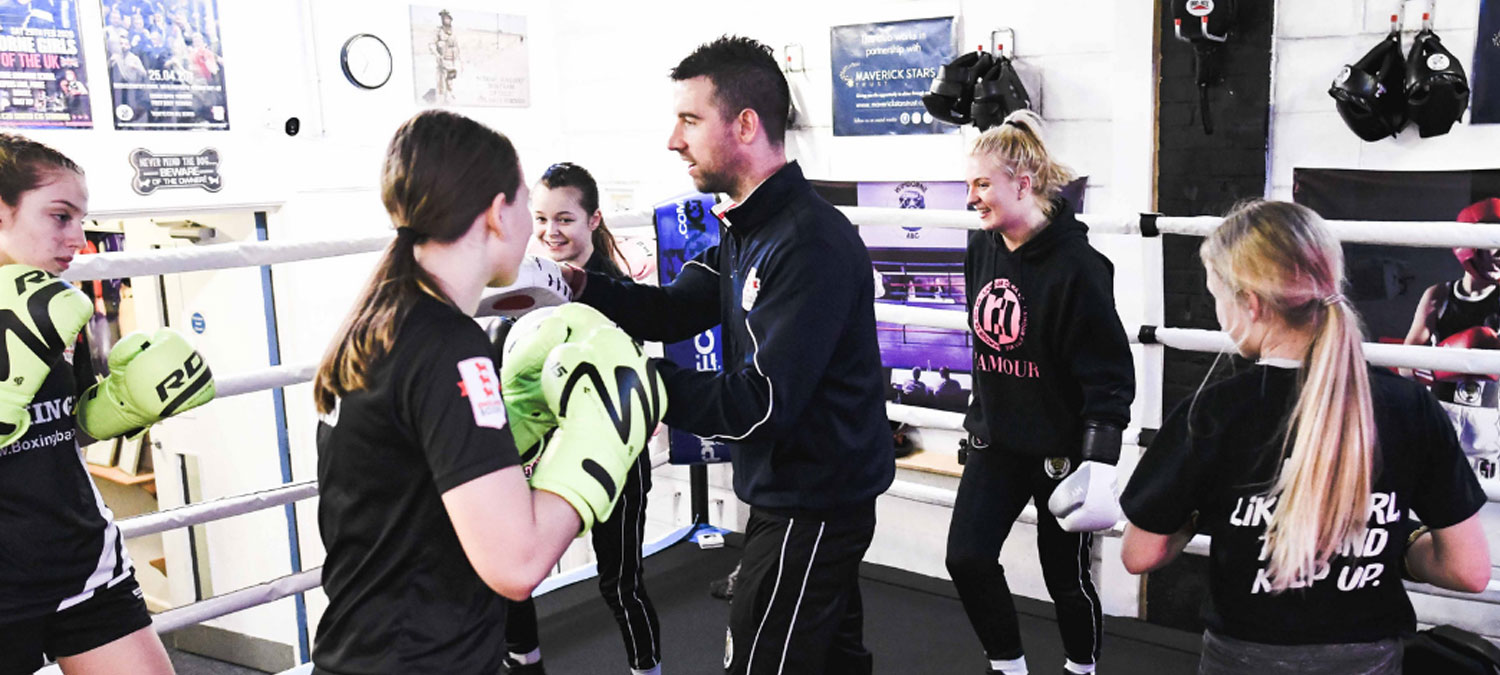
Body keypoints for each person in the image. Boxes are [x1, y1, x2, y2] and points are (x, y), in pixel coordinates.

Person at [563, 35, 894, 675]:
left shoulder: (806, 244)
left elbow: (761, 402)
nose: (673, 140)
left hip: (814, 506)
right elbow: (670, 309)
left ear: (744, 124)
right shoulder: (750, 228)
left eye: (690, 120)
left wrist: (639, 386)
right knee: (833, 661)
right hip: (793, 493)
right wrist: (571, 285)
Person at [310, 110, 665, 674]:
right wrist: (606, 432)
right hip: (422, 659)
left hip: (380, 646)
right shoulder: (446, 347)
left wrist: (519, 422)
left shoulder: (381, 319)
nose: (536, 224)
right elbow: (518, 563)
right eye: (527, 203)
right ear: (499, 213)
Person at [1120, 200, 1492, 674]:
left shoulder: (1213, 413)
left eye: (1218, 295)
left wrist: (1195, 510)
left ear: (1251, 303)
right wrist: (1387, 545)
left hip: (1244, 658)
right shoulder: (1409, 406)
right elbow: (1468, 570)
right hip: (1369, 658)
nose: (1219, 313)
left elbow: (1140, 553)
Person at [0, 133, 217, 675]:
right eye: (59, 216)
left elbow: (59, 428)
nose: (77, 236)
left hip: (81, 562)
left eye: (81, 217)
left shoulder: (54, 307)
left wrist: (118, 407)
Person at [945, 110, 1135, 675]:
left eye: (983, 184)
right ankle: (1008, 667)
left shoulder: (1079, 267)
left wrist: (1098, 459)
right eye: (969, 184)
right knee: (967, 558)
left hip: (1059, 449)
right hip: (997, 441)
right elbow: (989, 345)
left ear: (1022, 184)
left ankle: (1081, 669)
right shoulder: (981, 247)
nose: (972, 198)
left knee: (1066, 581)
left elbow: (1109, 372)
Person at [500, 161, 662, 675]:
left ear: (593, 220)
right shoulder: (525, 286)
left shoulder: (617, 292)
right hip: (536, 450)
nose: (551, 232)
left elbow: (629, 384)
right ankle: (526, 666)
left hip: (610, 454)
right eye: (542, 219)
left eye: (565, 219)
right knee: (512, 572)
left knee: (620, 582)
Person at [1402, 197, 1500, 486]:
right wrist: (1444, 363)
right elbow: (1406, 363)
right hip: (1441, 410)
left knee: (1488, 501)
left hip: (1490, 419)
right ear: (1469, 247)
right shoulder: (1439, 296)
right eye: (1494, 242)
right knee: (1433, 492)